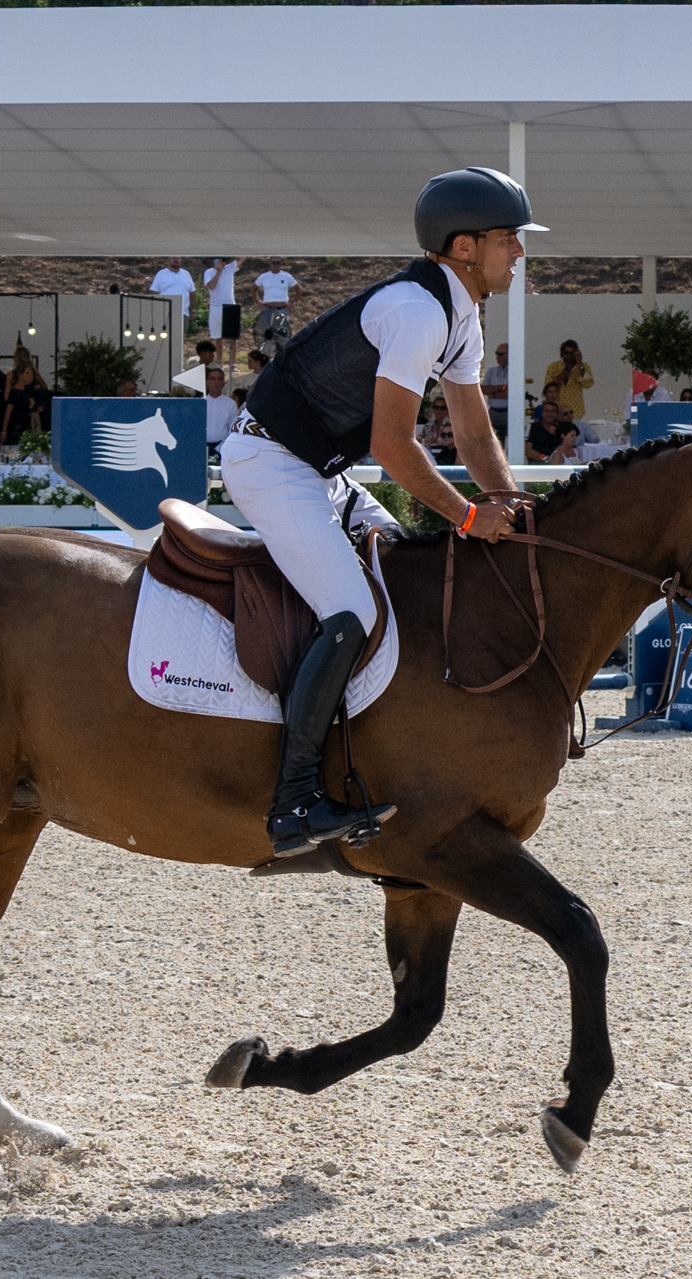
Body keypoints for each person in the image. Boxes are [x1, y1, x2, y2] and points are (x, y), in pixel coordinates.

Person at [221, 166, 536, 857]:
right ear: (463, 246)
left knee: (399, 582)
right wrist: (464, 516)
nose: (520, 253)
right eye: (509, 239)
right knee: (354, 609)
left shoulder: (461, 317)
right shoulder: (419, 311)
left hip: (318, 473)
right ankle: (295, 797)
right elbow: (391, 445)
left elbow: (476, 433)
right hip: (271, 465)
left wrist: (510, 504)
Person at [542, 339, 594, 420]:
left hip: (575, 412)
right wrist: (558, 379)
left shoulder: (584, 367)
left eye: (572, 353)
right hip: (557, 411)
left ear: (577, 353)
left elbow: (588, 384)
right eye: (566, 353)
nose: (569, 356)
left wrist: (580, 365)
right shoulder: (554, 367)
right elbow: (547, 387)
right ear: (562, 354)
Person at [252, 257, 299, 344]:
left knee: (282, 337)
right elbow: (254, 288)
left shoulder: (287, 276)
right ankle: (268, 356)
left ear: (281, 263)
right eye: (273, 263)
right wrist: (257, 302)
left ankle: (281, 355)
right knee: (268, 337)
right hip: (267, 309)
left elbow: (298, 290)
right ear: (270, 263)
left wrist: (293, 303)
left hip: (282, 309)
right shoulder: (264, 276)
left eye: (278, 263)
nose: (276, 265)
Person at [3, 362, 52, 444]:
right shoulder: (15, 391)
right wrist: (4, 430)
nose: (30, 376)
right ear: (20, 374)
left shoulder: (25, 391)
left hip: (25, 425)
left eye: (32, 374)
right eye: (27, 373)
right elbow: (8, 411)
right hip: (17, 426)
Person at [203, 257, 240, 360]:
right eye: (218, 260)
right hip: (216, 308)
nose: (221, 262)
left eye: (222, 261)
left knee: (232, 338)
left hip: (230, 307)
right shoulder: (209, 272)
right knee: (218, 338)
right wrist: (218, 272)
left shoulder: (229, 268)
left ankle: (233, 363)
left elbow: (243, 258)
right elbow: (211, 286)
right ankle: (220, 362)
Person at [151, 257, 197, 336]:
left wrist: (193, 311)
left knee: (180, 340)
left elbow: (192, 293)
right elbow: (154, 292)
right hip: (165, 313)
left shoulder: (186, 274)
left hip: (183, 313)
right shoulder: (161, 274)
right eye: (173, 258)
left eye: (178, 258)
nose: (176, 260)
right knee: (164, 339)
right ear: (168, 260)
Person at [202, 365, 236, 449]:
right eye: (213, 379)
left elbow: (233, 428)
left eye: (219, 379)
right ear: (207, 382)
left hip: (223, 446)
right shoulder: (201, 402)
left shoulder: (230, 404)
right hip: (202, 446)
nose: (216, 382)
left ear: (223, 383)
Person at [481, 342, 510, 416]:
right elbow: (482, 389)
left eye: (501, 354)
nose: (497, 356)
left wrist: (492, 393)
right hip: (493, 412)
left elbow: (509, 394)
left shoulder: (515, 373)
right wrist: (498, 388)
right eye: (496, 353)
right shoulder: (491, 371)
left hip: (509, 412)